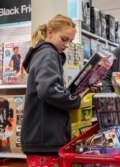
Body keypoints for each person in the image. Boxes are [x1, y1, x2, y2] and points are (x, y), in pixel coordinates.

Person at [21, 14, 86, 166]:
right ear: (50, 32)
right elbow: (48, 89)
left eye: (70, 41)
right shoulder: (48, 53)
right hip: (45, 139)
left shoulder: (44, 54)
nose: (66, 45)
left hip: (42, 137)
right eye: (64, 39)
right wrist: (74, 100)